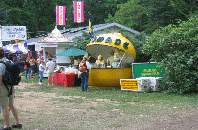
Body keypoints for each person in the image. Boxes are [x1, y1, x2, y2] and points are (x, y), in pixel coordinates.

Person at [0, 47, 22, 130]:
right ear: (4, 54)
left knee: (4, 106)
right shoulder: (9, 61)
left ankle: (7, 126)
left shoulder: (0, 64)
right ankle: (18, 123)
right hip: (11, 86)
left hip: (3, 87)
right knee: (11, 105)